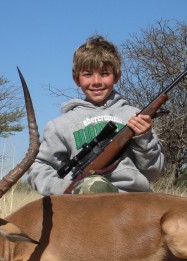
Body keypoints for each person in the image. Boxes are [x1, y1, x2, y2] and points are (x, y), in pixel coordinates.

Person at [27, 35, 166, 195]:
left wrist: (144, 138)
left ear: (117, 76)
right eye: (88, 74)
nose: (96, 81)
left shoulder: (135, 116)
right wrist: (67, 190)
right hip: (86, 204)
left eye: (104, 73)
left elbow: (155, 173)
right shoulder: (60, 125)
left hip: (133, 202)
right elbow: (37, 168)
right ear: (76, 79)